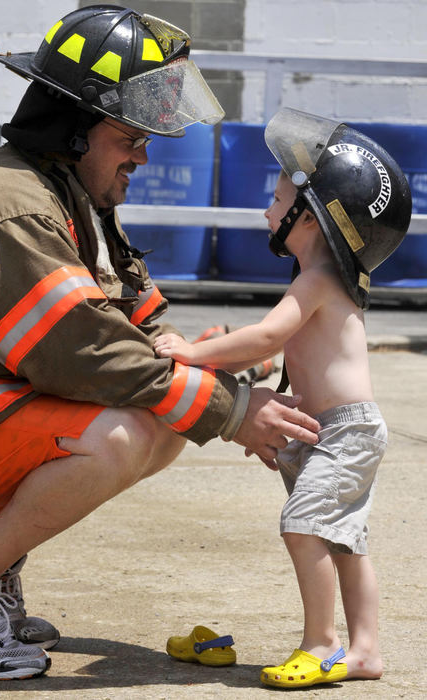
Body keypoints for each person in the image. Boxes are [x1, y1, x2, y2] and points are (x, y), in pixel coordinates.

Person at [0, 7, 320, 681]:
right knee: (121, 434)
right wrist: (234, 410)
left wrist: (209, 357)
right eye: (130, 136)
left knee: (160, 418)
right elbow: (84, 353)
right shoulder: (9, 209)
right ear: (74, 128)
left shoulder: (66, 194)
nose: (144, 154)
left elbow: (134, 323)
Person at [154, 107, 412, 688]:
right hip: (328, 429)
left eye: (277, 200)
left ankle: (322, 645)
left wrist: (191, 354)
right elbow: (289, 351)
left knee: (304, 526)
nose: (267, 210)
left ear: (311, 217)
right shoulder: (320, 279)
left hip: (345, 431)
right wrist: (268, 385)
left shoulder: (317, 279)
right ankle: (364, 652)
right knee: (344, 539)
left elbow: (268, 336)